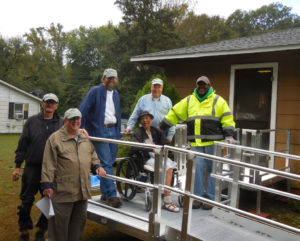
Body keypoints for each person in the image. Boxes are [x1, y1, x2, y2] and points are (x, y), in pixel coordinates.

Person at [160, 76, 235, 210]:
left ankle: (211, 199)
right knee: (196, 170)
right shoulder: (189, 101)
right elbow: (175, 112)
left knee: (214, 172)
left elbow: (227, 118)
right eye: (199, 85)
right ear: (196, 86)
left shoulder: (218, 100)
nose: (201, 87)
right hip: (196, 144)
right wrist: (163, 125)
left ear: (209, 85)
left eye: (204, 85)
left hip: (215, 144)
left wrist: (229, 136)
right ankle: (197, 198)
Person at [41, 108, 106, 241]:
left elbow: (92, 154)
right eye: (72, 119)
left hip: (82, 192)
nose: (76, 121)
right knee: (59, 228)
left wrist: (97, 166)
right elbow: (48, 164)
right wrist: (47, 185)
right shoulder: (54, 139)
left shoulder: (84, 138)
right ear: (65, 121)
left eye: (78, 119)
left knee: (78, 227)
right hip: (63, 193)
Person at [12, 93, 63, 241]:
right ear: (42, 104)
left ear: (56, 106)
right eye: (47, 102)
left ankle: (41, 229)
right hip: (32, 168)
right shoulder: (31, 122)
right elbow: (22, 145)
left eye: (53, 103)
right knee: (26, 201)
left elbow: (71, 136)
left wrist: (82, 132)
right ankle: (23, 228)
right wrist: (17, 167)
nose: (50, 105)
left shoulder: (61, 124)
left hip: (51, 170)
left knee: (49, 201)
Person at [79, 68, 122, 208]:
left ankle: (104, 192)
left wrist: (119, 131)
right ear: (103, 79)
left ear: (116, 79)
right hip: (100, 131)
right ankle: (111, 195)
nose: (111, 80)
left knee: (110, 161)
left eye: (113, 78)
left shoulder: (115, 94)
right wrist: (81, 127)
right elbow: (83, 110)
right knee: (106, 163)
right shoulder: (95, 92)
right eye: (108, 77)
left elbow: (117, 114)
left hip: (114, 131)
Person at [131, 111, 179, 212]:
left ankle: (164, 191)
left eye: (147, 118)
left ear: (151, 120)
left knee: (171, 166)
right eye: (142, 119)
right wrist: (151, 149)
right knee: (168, 167)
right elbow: (134, 147)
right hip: (146, 158)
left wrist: (166, 148)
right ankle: (167, 200)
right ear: (140, 121)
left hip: (158, 156)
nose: (145, 120)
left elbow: (165, 142)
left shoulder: (155, 130)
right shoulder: (137, 132)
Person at [124, 78, 175, 142]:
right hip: (145, 132)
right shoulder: (143, 99)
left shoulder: (167, 101)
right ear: (151, 87)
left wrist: (170, 136)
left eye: (159, 87)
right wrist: (129, 128)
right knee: (146, 151)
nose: (156, 90)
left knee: (160, 151)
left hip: (162, 133)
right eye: (154, 87)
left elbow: (172, 119)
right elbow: (135, 115)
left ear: (162, 88)